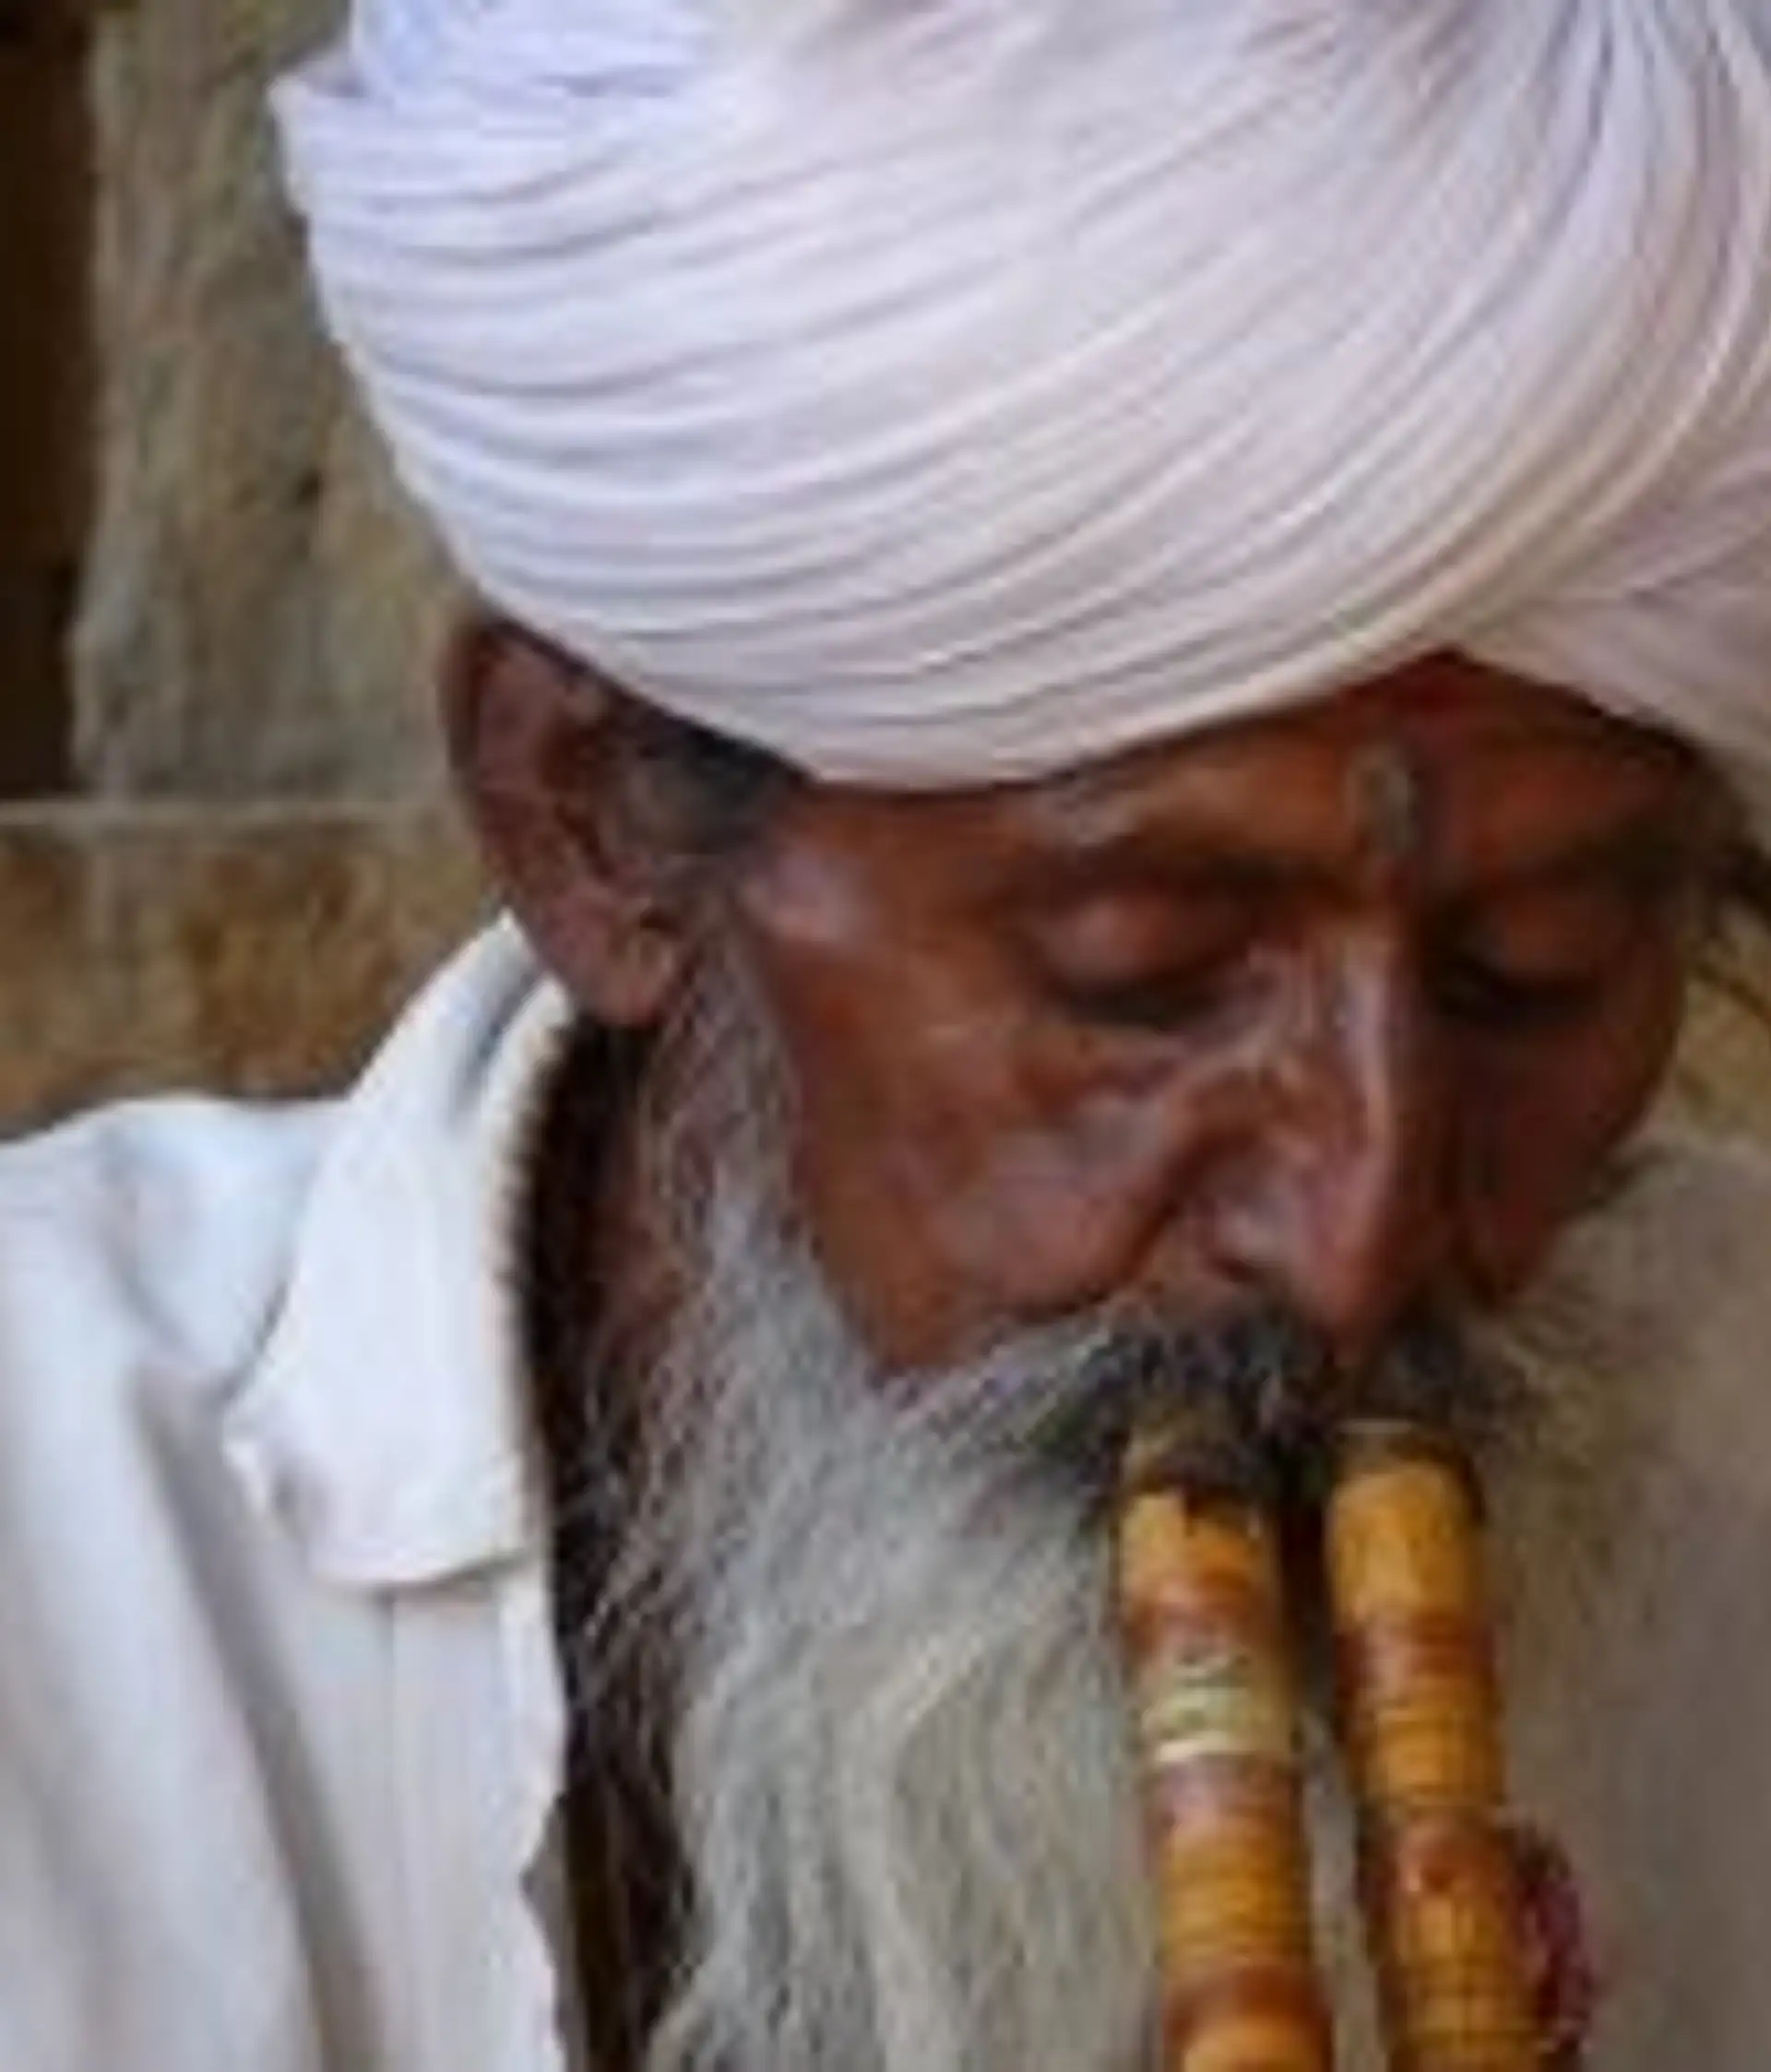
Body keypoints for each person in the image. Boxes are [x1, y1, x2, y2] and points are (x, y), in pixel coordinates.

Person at [5, 2, 1771, 2069]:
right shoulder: (54, 1558)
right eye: (1142, 977)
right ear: (595, 825)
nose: (1364, 1231)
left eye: (1534, 971)